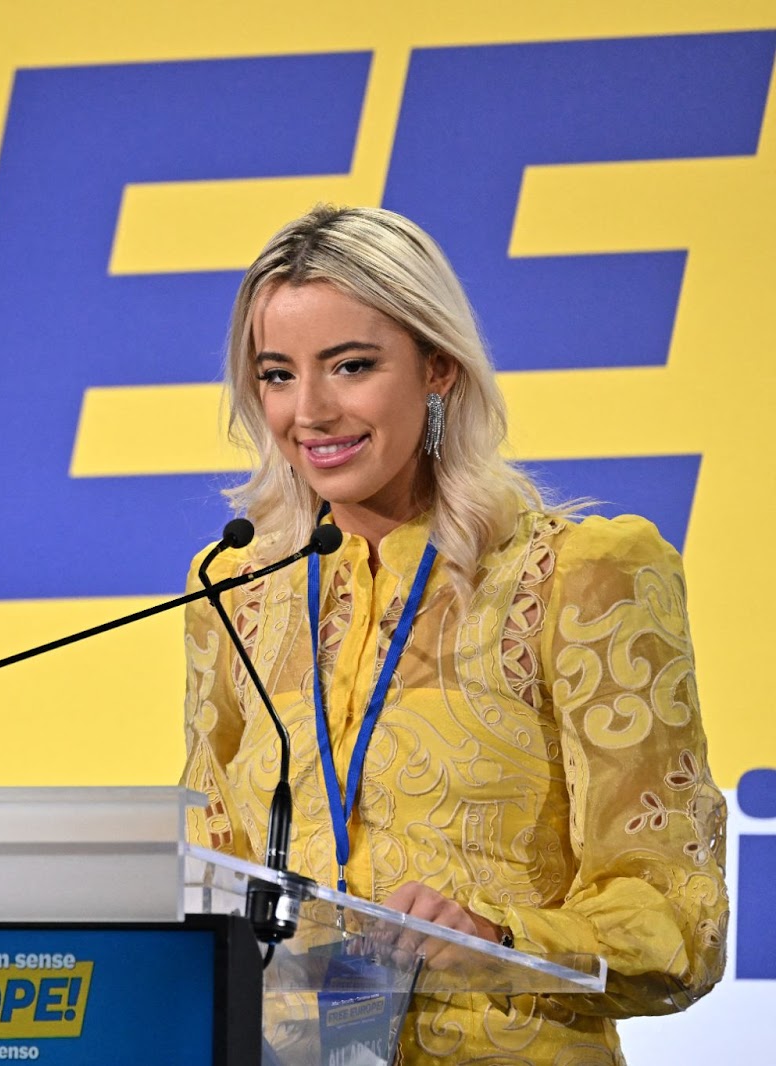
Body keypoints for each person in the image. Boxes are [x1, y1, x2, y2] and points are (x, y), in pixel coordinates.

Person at [181, 205, 726, 1064]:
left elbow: (679, 924)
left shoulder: (583, 577)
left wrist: (497, 936)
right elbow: (208, 879)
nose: (310, 411)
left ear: (438, 366)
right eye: (277, 375)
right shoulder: (239, 594)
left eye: (351, 366)